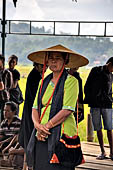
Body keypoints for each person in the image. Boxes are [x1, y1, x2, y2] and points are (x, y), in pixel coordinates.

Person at [26, 44, 89, 170]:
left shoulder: (71, 81)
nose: (53, 61)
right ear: (47, 61)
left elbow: (67, 110)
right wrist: (38, 126)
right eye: (51, 58)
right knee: (41, 165)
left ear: (65, 61)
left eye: (58, 58)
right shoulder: (43, 81)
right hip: (41, 132)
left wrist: (46, 127)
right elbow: (35, 107)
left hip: (61, 133)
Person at [84, 57, 113, 160]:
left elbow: (110, 91)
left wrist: (110, 99)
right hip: (95, 105)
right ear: (109, 64)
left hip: (107, 105)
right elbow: (87, 86)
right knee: (98, 128)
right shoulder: (95, 70)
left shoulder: (111, 76)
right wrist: (90, 99)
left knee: (109, 128)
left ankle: (112, 153)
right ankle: (102, 152)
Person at [18, 62, 43, 169]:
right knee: (30, 135)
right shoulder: (35, 76)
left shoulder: (36, 75)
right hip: (31, 110)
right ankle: (29, 164)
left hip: (30, 109)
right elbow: (36, 96)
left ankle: (27, 164)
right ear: (36, 65)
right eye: (42, 66)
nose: (44, 68)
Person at [0, 55, 13, 121]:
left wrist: (3, 88)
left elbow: (9, 86)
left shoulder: (7, 73)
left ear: (2, 61)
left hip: (4, 98)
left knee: (4, 118)